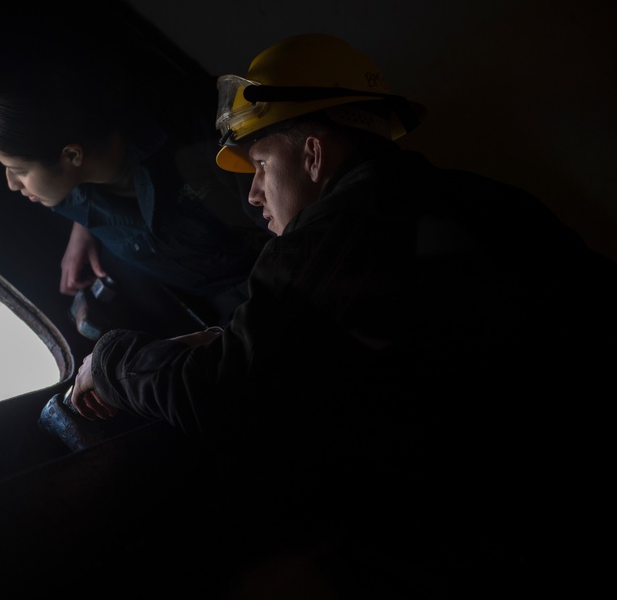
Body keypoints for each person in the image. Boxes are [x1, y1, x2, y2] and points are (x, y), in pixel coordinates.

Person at [69, 34, 616, 596]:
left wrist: (110, 362)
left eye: (259, 164)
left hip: (507, 527)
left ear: (312, 154)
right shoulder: (487, 198)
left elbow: (226, 400)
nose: (253, 194)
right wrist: (221, 335)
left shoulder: (324, 239)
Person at [0, 53, 270, 327]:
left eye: (19, 171)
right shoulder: (64, 188)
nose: (11, 183)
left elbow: (290, 236)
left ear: (72, 155)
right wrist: (82, 230)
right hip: (219, 303)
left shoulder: (197, 129)